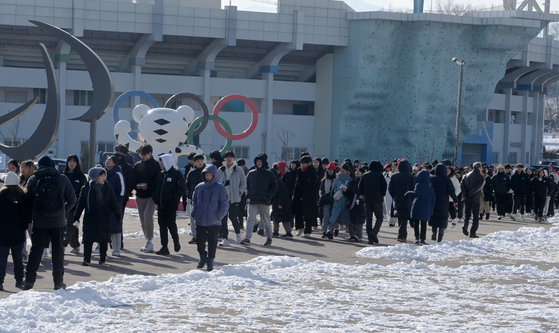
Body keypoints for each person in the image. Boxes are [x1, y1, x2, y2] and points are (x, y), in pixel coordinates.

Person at [24, 156, 77, 290]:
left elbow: (27, 202)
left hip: (39, 223)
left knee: (36, 251)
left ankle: (29, 281)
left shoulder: (33, 179)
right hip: (58, 222)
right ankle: (58, 282)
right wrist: (62, 212)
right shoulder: (62, 178)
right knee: (58, 252)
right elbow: (72, 199)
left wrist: (34, 214)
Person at [74, 166, 122, 266]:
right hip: (90, 218)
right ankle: (86, 259)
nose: (104, 178)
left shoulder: (107, 188)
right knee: (88, 239)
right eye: (101, 176)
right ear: (95, 177)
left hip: (104, 218)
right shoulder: (86, 189)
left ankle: (102, 259)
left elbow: (114, 202)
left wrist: (118, 214)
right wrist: (76, 217)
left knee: (104, 240)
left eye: (104, 175)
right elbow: (81, 204)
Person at [191, 164, 229, 271]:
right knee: (199, 242)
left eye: (210, 175)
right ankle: (202, 257)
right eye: (206, 175)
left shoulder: (220, 188)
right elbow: (194, 201)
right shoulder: (199, 187)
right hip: (200, 220)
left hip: (214, 221)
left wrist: (219, 216)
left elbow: (225, 204)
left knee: (212, 243)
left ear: (214, 175)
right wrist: (194, 212)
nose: (208, 177)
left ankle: (210, 261)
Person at [0, 172, 31, 291]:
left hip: (2, 234)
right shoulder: (22, 196)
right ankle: (19, 280)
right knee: (18, 259)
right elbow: (26, 217)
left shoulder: (1, 196)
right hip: (17, 234)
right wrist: (22, 228)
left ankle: (0, 282)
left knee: (1, 260)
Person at [152, 154, 185, 255]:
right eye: (160, 161)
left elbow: (181, 189)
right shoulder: (161, 174)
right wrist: (156, 198)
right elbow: (155, 187)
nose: (161, 164)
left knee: (170, 223)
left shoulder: (177, 174)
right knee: (162, 225)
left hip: (171, 205)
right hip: (161, 205)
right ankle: (164, 247)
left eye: (162, 161)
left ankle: (175, 240)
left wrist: (172, 198)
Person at [242, 153, 277, 246]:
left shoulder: (269, 173)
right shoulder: (251, 173)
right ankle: (247, 238)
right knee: (250, 219)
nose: (259, 163)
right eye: (257, 161)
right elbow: (246, 185)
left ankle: (269, 237)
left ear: (264, 162)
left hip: (264, 201)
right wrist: (248, 194)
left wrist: (268, 195)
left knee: (266, 221)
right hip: (252, 200)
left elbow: (274, 186)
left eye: (260, 161)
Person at [133, 144, 161, 253]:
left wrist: (148, 185)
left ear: (150, 153)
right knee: (142, 219)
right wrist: (136, 185)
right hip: (140, 195)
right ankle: (147, 240)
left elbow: (158, 180)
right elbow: (133, 178)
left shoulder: (156, 165)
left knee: (147, 215)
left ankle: (149, 241)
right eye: (141, 154)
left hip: (152, 195)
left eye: (144, 154)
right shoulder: (137, 165)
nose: (142, 156)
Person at [217, 150, 246, 246]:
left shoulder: (238, 170)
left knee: (233, 217)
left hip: (233, 198)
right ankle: (225, 238)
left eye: (231, 157)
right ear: (224, 158)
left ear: (233, 159)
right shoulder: (220, 170)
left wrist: (239, 192)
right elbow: (216, 182)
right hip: (222, 198)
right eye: (227, 157)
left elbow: (243, 183)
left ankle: (238, 235)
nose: (229, 159)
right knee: (223, 218)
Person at [62, 154, 87, 254]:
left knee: (70, 225)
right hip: (63, 205)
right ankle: (75, 245)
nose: (72, 163)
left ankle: (62, 245)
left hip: (75, 205)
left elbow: (84, 191)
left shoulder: (81, 177)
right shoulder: (63, 176)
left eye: (74, 161)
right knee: (71, 226)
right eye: (70, 161)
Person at [358, 160, 387, 244]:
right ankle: (374, 232)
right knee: (379, 217)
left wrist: (364, 194)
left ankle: (370, 238)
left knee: (369, 219)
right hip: (377, 199)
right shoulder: (380, 175)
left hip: (367, 200)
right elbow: (384, 187)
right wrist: (382, 195)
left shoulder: (365, 175)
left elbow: (360, 187)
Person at [292, 155, 320, 238]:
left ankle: (308, 230)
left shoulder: (312, 172)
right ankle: (300, 227)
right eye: (301, 163)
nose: (302, 165)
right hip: (298, 194)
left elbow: (315, 185)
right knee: (298, 212)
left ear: (308, 163)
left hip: (309, 196)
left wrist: (312, 196)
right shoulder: (298, 171)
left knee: (308, 214)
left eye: (304, 163)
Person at [404, 169, 435, 245]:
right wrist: (431, 209)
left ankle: (416, 237)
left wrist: (408, 193)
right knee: (424, 224)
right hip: (427, 208)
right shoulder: (431, 188)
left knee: (416, 223)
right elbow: (433, 199)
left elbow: (416, 194)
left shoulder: (418, 185)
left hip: (418, 206)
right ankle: (423, 239)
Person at [428, 164, 457, 243]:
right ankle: (440, 237)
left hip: (433, 202)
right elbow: (452, 192)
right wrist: (455, 200)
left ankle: (434, 232)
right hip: (444, 202)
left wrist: (433, 170)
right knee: (442, 220)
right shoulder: (447, 180)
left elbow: (428, 174)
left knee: (434, 218)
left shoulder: (432, 179)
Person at [114, 144, 136, 250]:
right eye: (116, 152)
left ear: (125, 154)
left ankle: (119, 242)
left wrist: (125, 193)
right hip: (109, 197)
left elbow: (131, 184)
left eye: (120, 153)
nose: (117, 155)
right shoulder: (110, 166)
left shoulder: (128, 168)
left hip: (121, 199)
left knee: (118, 219)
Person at [389, 159, 415, 242]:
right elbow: (413, 188)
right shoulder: (411, 176)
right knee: (404, 218)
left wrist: (394, 196)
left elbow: (390, 188)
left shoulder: (394, 176)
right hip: (407, 199)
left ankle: (402, 234)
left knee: (400, 216)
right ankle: (401, 235)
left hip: (397, 199)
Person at [105, 155, 125, 256]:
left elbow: (122, 191)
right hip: (105, 205)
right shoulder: (104, 174)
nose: (107, 161)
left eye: (109, 160)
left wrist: (116, 203)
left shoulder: (118, 174)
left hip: (115, 205)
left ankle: (117, 248)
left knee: (116, 227)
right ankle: (101, 246)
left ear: (115, 163)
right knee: (105, 226)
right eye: (107, 159)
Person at [327, 162, 353, 239]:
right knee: (334, 217)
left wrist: (346, 191)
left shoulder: (350, 179)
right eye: (341, 171)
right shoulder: (338, 179)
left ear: (347, 171)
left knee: (347, 219)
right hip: (337, 201)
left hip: (345, 202)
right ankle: (330, 231)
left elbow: (351, 191)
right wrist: (336, 191)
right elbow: (334, 188)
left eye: (343, 171)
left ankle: (352, 234)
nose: (342, 173)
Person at [461, 162, 485, 238]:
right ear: (479, 167)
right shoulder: (481, 176)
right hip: (475, 198)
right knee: (475, 216)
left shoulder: (466, 175)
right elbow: (478, 187)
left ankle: (465, 225)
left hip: (466, 198)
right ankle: (473, 232)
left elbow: (462, 185)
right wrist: (470, 193)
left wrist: (465, 193)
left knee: (467, 214)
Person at [186, 154, 206, 244]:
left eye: (201, 160)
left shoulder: (207, 172)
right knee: (193, 218)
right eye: (198, 161)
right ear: (194, 162)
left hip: (205, 200)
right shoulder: (191, 173)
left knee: (204, 218)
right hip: (193, 199)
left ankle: (204, 236)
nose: (200, 163)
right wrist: (189, 194)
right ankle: (194, 236)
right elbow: (187, 185)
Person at [270, 163, 293, 239]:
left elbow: (282, 194)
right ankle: (276, 232)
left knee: (284, 219)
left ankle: (288, 233)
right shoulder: (276, 181)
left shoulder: (278, 182)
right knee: (275, 217)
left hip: (281, 204)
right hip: (277, 203)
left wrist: (280, 203)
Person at [346, 167, 366, 241]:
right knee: (353, 219)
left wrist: (363, 196)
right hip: (353, 202)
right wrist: (345, 191)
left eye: (359, 171)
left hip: (361, 203)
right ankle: (353, 234)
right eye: (356, 171)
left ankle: (358, 235)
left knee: (359, 219)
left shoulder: (365, 181)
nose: (357, 172)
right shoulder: (352, 181)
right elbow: (349, 192)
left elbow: (367, 191)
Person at [319, 162, 337, 238]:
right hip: (326, 201)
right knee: (326, 216)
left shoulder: (336, 180)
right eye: (329, 169)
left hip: (335, 201)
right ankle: (324, 231)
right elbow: (320, 190)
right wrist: (321, 197)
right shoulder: (323, 180)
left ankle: (335, 229)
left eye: (332, 170)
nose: (330, 171)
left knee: (334, 216)